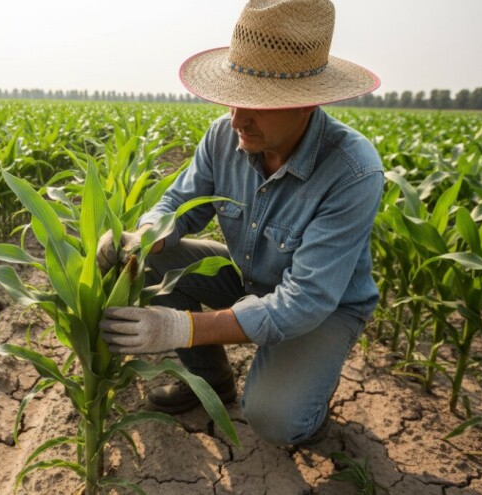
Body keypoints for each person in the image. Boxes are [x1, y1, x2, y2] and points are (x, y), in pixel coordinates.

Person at [97, 0, 384, 447]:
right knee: (154, 262)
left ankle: (308, 406)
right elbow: (180, 203)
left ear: (306, 103)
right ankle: (211, 383)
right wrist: (146, 236)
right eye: (234, 99)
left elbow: (304, 301)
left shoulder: (353, 171)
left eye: (257, 105)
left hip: (324, 308)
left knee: (275, 420)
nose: (236, 119)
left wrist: (181, 327)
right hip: (249, 274)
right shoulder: (224, 135)